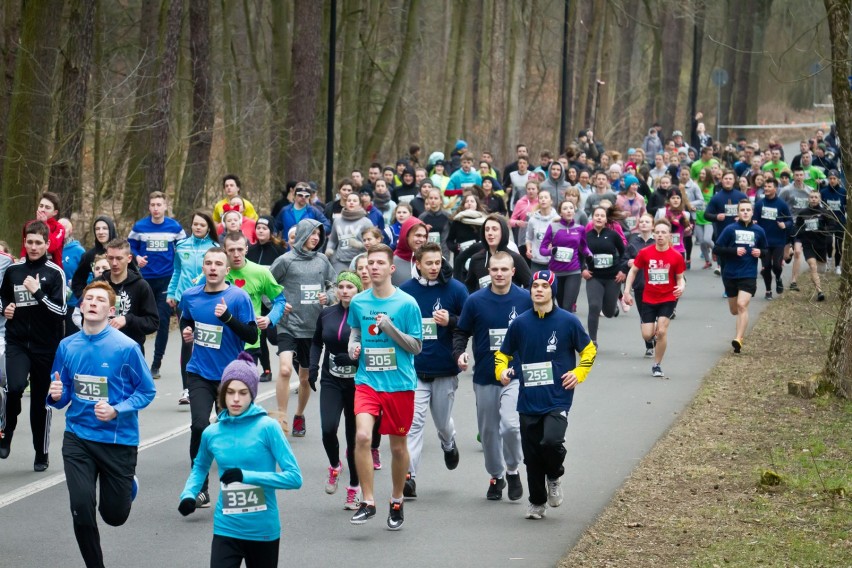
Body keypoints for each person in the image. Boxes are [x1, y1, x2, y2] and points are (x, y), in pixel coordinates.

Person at [48, 281, 156, 568]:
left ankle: (127, 484)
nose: (93, 303)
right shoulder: (67, 346)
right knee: (81, 508)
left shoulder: (126, 347)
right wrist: (56, 396)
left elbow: (147, 391)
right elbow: (62, 392)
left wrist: (117, 409)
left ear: (111, 311)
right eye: (88, 299)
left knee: (115, 516)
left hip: (117, 440)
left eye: (99, 300)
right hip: (78, 437)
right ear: (81, 307)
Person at [178, 352, 302, 568]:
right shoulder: (212, 433)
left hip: (263, 531)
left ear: (252, 394)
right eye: (231, 392)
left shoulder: (268, 428)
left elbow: (294, 478)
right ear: (223, 394)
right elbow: (200, 467)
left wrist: (247, 476)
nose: (236, 399)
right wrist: (189, 494)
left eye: (243, 393)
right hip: (226, 528)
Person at [495, 270, 596, 519]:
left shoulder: (567, 321)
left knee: (550, 442)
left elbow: (589, 350)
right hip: (528, 399)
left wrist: (578, 373)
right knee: (531, 457)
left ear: (553, 290)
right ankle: (537, 502)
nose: (539, 290)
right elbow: (502, 354)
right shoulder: (520, 323)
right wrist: (502, 372)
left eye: (544, 286)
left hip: (557, 396)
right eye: (535, 286)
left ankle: (555, 475)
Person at [346, 244, 422, 530]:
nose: (373, 267)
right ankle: (368, 502)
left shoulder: (407, 304)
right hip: (367, 381)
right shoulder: (359, 302)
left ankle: (397, 499)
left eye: (379, 263)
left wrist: (390, 328)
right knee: (363, 436)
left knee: (398, 447)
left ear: (391, 269)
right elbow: (355, 332)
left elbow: (416, 347)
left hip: (400, 384)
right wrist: (353, 346)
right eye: (370, 263)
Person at [179, 247, 257, 507]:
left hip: (230, 378)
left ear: (227, 270)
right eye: (208, 263)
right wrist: (187, 331)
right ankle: (199, 488)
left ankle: (239, 487)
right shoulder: (191, 296)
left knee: (232, 433)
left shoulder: (238, 297)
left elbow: (251, 336)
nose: (213, 268)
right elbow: (186, 319)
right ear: (203, 268)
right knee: (200, 427)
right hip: (199, 372)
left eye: (218, 264)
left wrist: (228, 318)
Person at [453, 252, 532, 501]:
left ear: (513, 272)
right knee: (488, 432)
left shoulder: (526, 299)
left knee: (510, 425)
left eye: (504, 269)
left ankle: (512, 469)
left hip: (515, 374)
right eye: (494, 269)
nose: (499, 274)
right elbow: (461, 331)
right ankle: (496, 475)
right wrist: (459, 354)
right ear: (488, 271)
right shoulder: (475, 301)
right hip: (485, 374)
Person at [400, 243, 468, 498]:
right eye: (428, 263)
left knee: (441, 422)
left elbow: (470, 322)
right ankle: (409, 477)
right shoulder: (406, 292)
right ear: (417, 263)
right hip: (415, 370)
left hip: (445, 369)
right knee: (414, 424)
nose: (434, 267)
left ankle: (448, 444)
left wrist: (450, 320)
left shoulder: (456, 290)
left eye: (437, 262)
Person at [0, 221, 67, 469]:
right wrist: (4, 308)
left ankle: (42, 451)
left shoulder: (55, 272)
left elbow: (61, 312)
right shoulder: (14, 271)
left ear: (48, 244)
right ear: (25, 243)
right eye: (30, 242)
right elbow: (3, 298)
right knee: (14, 387)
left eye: (39, 242)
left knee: (41, 403)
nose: (34, 246)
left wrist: (38, 293)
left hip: (46, 347)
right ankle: (6, 432)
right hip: (17, 341)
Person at [269, 220, 336, 436]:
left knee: (305, 377)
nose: (316, 237)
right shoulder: (285, 261)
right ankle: (281, 418)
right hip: (288, 325)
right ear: (302, 234)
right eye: (312, 233)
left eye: (319, 234)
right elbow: (266, 286)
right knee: (286, 369)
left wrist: (330, 296)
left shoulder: (322, 261)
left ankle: (299, 415)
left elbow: (334, 285)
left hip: (313, 327)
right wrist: (277, 305)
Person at [310, 272, 363, 510]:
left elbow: (376, 346)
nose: (344, 290)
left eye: (349, 287)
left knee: (354, 440)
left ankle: (354, 488)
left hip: (357, 384)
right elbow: (316, 342)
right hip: (331, 379)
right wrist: (312, 368)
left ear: (358, 290)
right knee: (327, 429)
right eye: (340, 286)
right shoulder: (327, 314)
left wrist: (354, 361)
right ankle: (334, 466)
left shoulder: (364, 315)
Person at [128, 191, 187, 378]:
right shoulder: (140, 227)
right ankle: (138, 359)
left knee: (161, 322)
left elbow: (183, 249)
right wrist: (137, 258)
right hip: (143, 280)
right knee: (138, 321)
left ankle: (156, 363)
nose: (155, 208)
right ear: (149, 207)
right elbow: (129, 245)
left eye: (159, 205)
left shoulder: (175, 227)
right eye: (152, 205)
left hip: (166, 280)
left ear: (165, 206)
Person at [622, 219, 686, 377]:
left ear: (669, 235)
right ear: (654, 234)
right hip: (649, 298)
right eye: (657, 232)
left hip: (668, 297)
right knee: (647, 335)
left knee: (662, 332)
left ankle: (657, 365)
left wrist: (681, 287)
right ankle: (654, 329)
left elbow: (680, 278)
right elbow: (633, 271)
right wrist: (626, 291)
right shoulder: (645, 253)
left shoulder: (676, 256)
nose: (660, 235)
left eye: (663, 232)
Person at [167, 212, 219, 405]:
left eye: (202, 225)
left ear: (208, 228)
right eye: (195, 224)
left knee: (205, 342)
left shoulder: (214, 248)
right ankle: (187, 388)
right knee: (187, 343)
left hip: (206, 300)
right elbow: (177, 271)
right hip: (184, 300)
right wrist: (171, 293)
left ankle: (209, 383)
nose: (198, 228)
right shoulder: (181, 246)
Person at [713, 200, 768, 353]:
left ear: (752, 213)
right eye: (742, 210)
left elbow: (765, 249)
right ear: (738, 213)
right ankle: (740, 331)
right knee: (734, 309)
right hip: (730, 274)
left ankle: (738, 339)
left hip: (748, 274)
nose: (745, 212)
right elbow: (717, 248)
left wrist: (760, 253)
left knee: (742, 305)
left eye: (748, 210)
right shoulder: (730, 229)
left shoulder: (759, 231)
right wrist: (733, 251)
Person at [99, 238, 159, 353]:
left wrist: (128, 320)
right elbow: (84, 318)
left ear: (129, 258)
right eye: (111, 258)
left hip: (131, 350)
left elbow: (153, 322)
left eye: (119, 258)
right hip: (101, 349)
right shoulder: (98, 284)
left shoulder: (141, 285)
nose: (114, 263)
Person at [247, 216, 288, 382]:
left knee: (273, 337)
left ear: (271, 231)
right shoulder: (250, 250)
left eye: (264, 228)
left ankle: (292, 354)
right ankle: (267, 370)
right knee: (260, 335)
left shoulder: (279, 251)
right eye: (258, 228)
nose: (261, 231)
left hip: (273, 301)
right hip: (256, 300)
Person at [584, 206, 628, 346]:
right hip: (594, 277)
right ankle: (592, 340)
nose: (599, 218)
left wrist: (623, 271)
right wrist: (582, 269)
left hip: (612, 278)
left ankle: (611, 304)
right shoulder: (586, 236)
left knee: (608, 312)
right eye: (596, 215)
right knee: (594, 306)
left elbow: (624, 254)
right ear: (592, 218)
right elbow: (578, 255)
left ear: (605, 219)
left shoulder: (613, 235)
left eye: (602, 216)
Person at [456, 214, 532, 293]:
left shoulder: (515, 258)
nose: (490, 233)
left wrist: (518, 300)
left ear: (503, 232)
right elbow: (469, 288)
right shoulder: (476, 259)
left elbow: (530, 285)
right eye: (487, 229)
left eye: (494, 229)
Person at [539, 200, 590, 312]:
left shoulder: (580, 228)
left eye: (571, 208)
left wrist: (589, 254)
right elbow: (542, 249)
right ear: (560, 212)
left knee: (567, 307)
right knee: (561, 306)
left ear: (574, 211)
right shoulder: (553, 227)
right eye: (565, 208)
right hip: (556, 272)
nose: (568, 211)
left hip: (574, 272)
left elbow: (584, 247)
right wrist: (551, 251)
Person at [753, 178, 793, 300]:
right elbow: (755, 220)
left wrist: (784, 225)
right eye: (765, 187)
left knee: (776, 266)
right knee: (766, 268)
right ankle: (768, 290)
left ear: (775, 188)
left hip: (778, 241)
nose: (766, 188)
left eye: (769, 187)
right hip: (764, 242)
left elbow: (790, 220)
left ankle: (778, 278)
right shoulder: (760, 204)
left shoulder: (781, 204)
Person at [704, 170, 748, 276]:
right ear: (722, 181)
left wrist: (742, 217)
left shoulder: (741, 196)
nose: (728, 181)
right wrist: (716, 217)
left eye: (730, 179)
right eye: (726, 179)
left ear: (734, 181)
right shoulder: (716, 198)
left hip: (739, 234)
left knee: (739, 261)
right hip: (722, 234)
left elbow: (751, 213)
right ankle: (728, 289)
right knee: (725, 264)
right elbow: (706, 215)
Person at [625, 214, 656, 356]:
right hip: (640, 285)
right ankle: (649, 344)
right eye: (641, 222)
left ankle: (656, 336)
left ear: (653, 225)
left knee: (657, 316)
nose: (644, 224)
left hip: (656, 286)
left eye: (647, 222)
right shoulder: (632, 241)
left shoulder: (657, 241)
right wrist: (628, 262)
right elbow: (624, 259)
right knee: (644, 316)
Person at [793, 192, 833, 301]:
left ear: (819, 199)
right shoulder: (803, 213)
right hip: (808, 244)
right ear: (808, 199)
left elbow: (832, 225)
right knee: (813, 266)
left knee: (821, 269)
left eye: (816, 197)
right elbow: (797, 227)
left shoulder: (824, 212)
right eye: (811, 197)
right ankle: (820, 292)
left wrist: (825, 230)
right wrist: (800, 234)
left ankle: (820, 277)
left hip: (821, 244)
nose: (813, 199)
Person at [72, 216, 118, 300]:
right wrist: (85, 297)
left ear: (111, 230)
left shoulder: (122, 253)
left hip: (119, 300)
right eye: (97, 229)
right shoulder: (89, 256)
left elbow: (135, 277)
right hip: (97, 301)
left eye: (104, 228)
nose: (100, 232)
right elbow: (77, 281)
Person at [326, 193, 373, 273]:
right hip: (340, 261)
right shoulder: (337, 221)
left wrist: (360, 245)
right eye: (349, 200)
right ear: (345, 203)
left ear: (360, 205)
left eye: (354, 201)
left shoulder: (366, 222)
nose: (351, 202)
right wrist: (329, 249)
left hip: (359, 261)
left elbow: (373, 243)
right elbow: (332, 240)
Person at [20, 191, 65, 270]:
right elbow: (25, 247)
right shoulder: (28, 225)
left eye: (47, 207)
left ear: (55, 212)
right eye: (41, 206)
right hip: (29, 267)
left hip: (52, 270)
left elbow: (51, 247)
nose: (43, 209)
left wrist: (44, 224)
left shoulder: (59, 228)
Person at [60, 218, 86, 337]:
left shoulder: (79, 251)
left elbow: (88, 275)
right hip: (55, 300)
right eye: (58, 227)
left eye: (64, 227)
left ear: (71, 230)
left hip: (72, 301)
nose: (61, 230)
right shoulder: (50, 249)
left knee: (71, 336)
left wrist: (75, 285)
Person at [526, 190, 560, 272]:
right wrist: (528, 249)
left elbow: (563, 240)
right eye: (541, 198)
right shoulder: (533, 219)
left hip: (553, 261)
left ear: (551, 201)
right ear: (538, 201)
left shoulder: (558, 219)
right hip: (537, 261)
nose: (543, 200)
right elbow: (529, 237)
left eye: (546, 197)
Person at [820, 170, 846, 274]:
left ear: (838, 180)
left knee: (839, 245)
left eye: (834, 179)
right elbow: (821, 207)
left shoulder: (843, 192)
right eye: (830, 178)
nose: (832, 180)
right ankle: (829, 258)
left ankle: (837, 266)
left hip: (840, 221)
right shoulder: (823, 192)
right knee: (828, 242)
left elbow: (846, 206)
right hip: (827, 222)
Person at [391, 216, 429, 286]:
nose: (422, 240)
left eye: (425, 236)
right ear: (406, 236)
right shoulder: (391, 261)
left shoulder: (430, 261)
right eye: (418, 235)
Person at [446, 193, 487, 258]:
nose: (469, 203)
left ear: (477, 205)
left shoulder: (484, 221)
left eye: (472, 201)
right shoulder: (457, 221)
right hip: (461, 257)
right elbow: (449, 241)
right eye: (467, 201)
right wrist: (455, 247)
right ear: (463, 205)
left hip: (479, 256)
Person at [419, 187, 452, 258]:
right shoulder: (422, 217)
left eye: (436, 198)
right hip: (427, 252)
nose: (433, 200)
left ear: (440, 200)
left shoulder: (448, 217)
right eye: (431, 198)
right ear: (427, 200)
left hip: (444, 252)